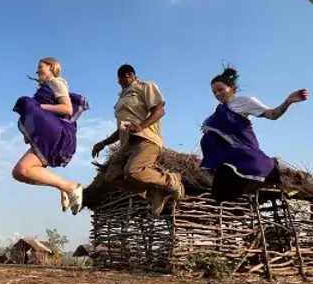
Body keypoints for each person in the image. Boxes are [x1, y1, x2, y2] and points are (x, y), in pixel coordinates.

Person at [201, 65, 308, 202]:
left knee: (252, 170)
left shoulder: (244, 101)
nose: (217, 94)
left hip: (244, 152)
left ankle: (276, 167)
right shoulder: (217, 113)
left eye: (220, 90)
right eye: (214, 92)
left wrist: (288, 101)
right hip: (228, 158)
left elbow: (272, 114)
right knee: (219, 194)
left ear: (231, 87)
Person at [90, 64, 184, 215]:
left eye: (129, 73)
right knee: (112, 176)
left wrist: (142, 126)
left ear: (133, 75)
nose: (126, 77)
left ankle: (171, 180)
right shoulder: (121, 99)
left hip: (146, 138)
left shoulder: (145, 86)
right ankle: (152, 191)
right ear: (119, 80)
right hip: (127, 142)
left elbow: (159, 110)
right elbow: (121, 129)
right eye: (122, 76)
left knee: (133, 171)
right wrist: (103, 143)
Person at [11, 57, 89, 215]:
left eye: (40, 66)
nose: (37, 70)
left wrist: (39, 107)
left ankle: (71, 187)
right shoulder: (45, 88)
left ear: (51, 67)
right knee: (20, 172)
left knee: (21, 170)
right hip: (46, 136)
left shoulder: (56, 82)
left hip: (56, 134)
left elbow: (66, 108)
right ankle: (65, 187)